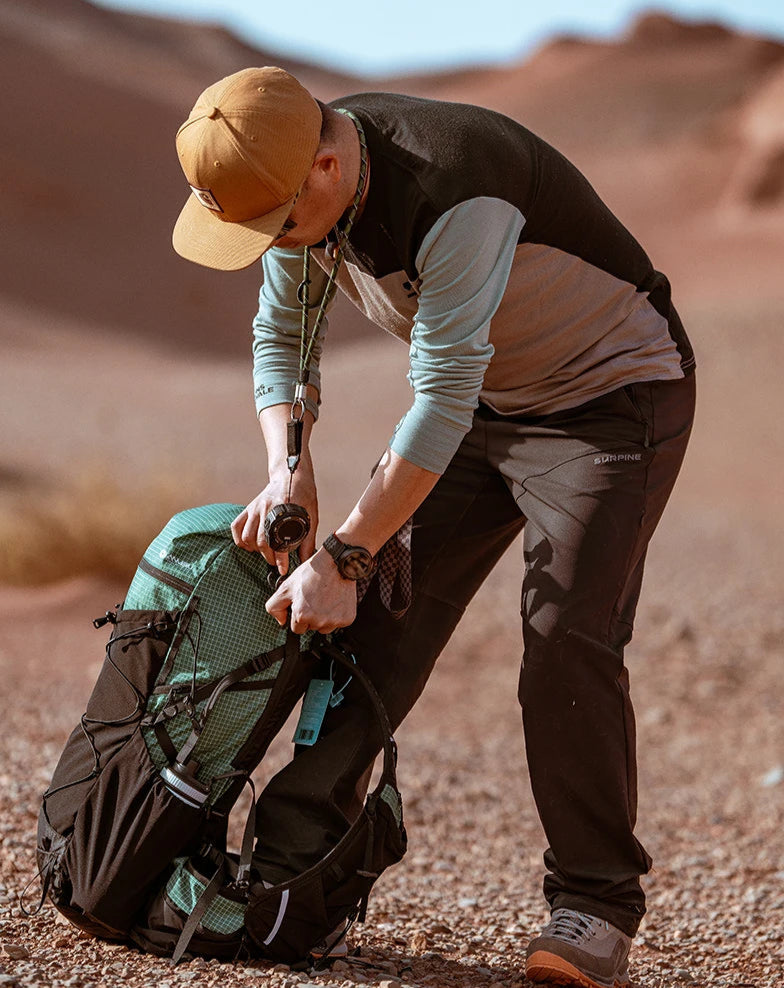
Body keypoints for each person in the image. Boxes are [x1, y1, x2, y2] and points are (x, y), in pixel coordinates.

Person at [171, 66, 696, 988]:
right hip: (485, 402)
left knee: (566, 633)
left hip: (608, 401)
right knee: (372, 621)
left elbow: (440, 392)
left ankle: (596, 906)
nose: (275, 244)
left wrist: (345, 550)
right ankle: (291, 875)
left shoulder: (459, 189)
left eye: (277, 226)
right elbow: (281, 337)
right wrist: (286, 464)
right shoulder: (294, 181)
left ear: (328, 165)